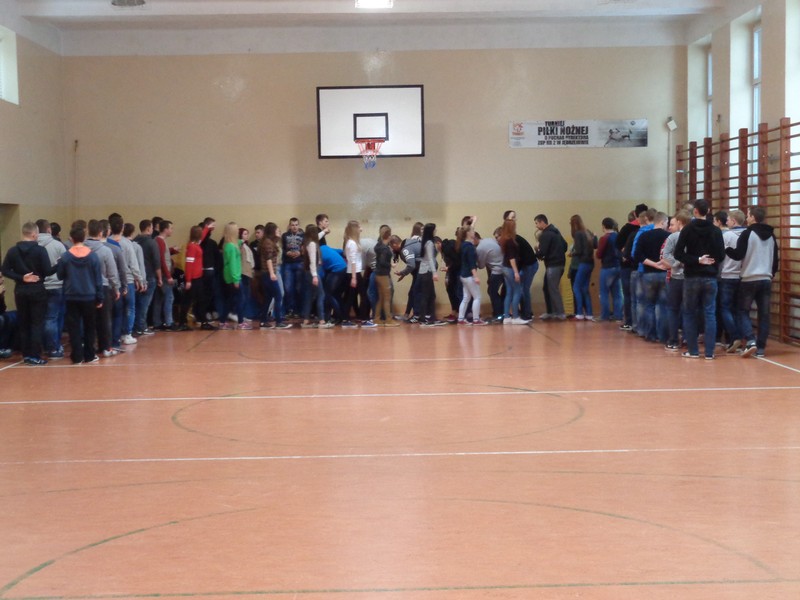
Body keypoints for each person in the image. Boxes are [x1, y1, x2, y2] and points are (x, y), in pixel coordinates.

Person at [674, 199, 726, 359]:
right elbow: (721, 255)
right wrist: (710, 261)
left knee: (689, 313)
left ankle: (693, 350)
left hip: (692, 277)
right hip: (710, 277)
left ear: (695, 211)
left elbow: (678, 253)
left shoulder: (687, 229)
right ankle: (709, 352)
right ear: (708, 210)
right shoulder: (716, 230)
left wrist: (696, 260)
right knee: (709, 313)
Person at [725, 205, 779, 358]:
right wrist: (771, 274)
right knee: (764, 314)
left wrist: (726, 248)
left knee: (742, 311)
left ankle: (750, 340)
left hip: (749, 278)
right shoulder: (771, 236)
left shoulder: (748, 233)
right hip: (766, 278)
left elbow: (738, 255)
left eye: (748, 215)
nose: (747, 218)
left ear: (753, 217)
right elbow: (775, 259)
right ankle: (761, 348)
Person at [1, 222, 55, 365]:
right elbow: (47, 271)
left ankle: (26, 355)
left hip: (20, 290)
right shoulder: (40, 251)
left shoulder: (13, 251)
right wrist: (59, 264)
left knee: (24, 323)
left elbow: (5, 270)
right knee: (36, 324)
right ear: (34, 234)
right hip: (37, 290)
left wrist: (21, 277)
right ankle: (35, 355)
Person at [56, 226, 104, 364]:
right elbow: (98, 279)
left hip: (71, 296)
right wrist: (100, 297)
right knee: (90, 326)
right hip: (89, 296)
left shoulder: (65, 257)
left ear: (71, 239)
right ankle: (89, 355)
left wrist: (60, 264)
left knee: (74, 327)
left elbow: (59, 276)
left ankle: (77, 356)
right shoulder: (93, 256)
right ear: (84, 238)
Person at [85, 219, 121, 357]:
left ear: (88, 231)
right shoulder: (105, 250)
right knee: (105, 319)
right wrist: (116, 288)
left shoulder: (81, 249)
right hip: (104, 286)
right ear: (101, 233)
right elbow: (112, 273)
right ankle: (106, 347)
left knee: (89, 319)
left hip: (86, 288)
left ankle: (89, 347)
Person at [633, 211, 670, 342]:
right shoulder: (668, 236)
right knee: (663, 305)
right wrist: (663, 264)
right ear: (663, 222)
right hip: (664, 274)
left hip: (648, 274)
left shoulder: (644, 236)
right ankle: (663, 335)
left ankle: (650, 334)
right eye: (667, 222)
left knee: (649, 305)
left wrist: (653, 264)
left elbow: (637, 255)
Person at [659, 210, 691, 351]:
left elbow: (665, 255)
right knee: (689, 309)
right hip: (690, 277)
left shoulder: (674, 237)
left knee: (673, 309)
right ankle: (688, 338)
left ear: (679, 222)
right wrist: (686, 262)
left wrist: (677, 263)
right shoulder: (694, 235)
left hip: (677, 277)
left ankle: (673, 340)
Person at [36, 218, 67, 359]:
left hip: (39, 285)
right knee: (54, 318)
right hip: (56, 285)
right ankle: (53, 347)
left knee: (41, 318)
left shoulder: (33, 246)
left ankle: (43, 345)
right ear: (49, 230)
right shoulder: (58, 245)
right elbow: (65, 265)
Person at [718, 210, 746, 352]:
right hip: (743, 275)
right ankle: (739, 339)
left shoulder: (727, 235)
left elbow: (720, 255)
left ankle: (735, 336)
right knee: (738, 309)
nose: (727, 221)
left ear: (734, 221)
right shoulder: (748, 234)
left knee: (725, 308)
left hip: (728, 275)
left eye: (728, 219)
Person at [534, 214, 568, 320]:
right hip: (560, 264)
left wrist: (537, 250)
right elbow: (565, 246)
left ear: (542, 222)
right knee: (547, 287)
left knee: (553, 289)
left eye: (536, 223)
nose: (536, 226)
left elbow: (542, 252)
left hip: (553, 265)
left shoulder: (545, 235)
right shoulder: (556, 232)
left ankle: (560, 313)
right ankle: (551, 311)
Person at [300, 224, 333, 328]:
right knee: (321, 294)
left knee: (309, 296)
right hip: (313, 272)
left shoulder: (308, 242)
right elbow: (312, 262)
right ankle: (322, 320)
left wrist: (324, 231)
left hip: (308, 272)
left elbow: (318, 236)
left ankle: (306, 320)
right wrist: (314, 276)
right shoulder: (312, 245)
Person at [259, 222, 291, 329]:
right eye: (277, 230)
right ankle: (278, 322)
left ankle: (263, 321)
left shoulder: (269, 241)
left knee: (268, 298)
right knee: (278, 296)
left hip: (266, 274)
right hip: (268, 273)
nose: (279, 232)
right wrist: (272, 273)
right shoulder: (268, 242)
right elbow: (268, 259)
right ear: (272, 231)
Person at [133, 219, 161, 336]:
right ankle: (142, 326)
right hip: (149, 276)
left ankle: (135, 326)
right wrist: (159, 277)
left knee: (136, 303)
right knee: (145, 303)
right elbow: (156, 261)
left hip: (136, 276)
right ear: (149, 228)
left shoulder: (134, 241)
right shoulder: (151, 243)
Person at [498, 218, 527, 324]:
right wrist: (516, 272)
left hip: (505, 267)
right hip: (510, 268)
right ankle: (515, 317)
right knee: (517, 291)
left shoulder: (504, 240)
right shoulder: (510, 241)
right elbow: (512, 258)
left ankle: (506, 317)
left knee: (509, 292)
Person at [457, 226, 487, 325]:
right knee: (477, 297)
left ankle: (461, 318)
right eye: (472, 231)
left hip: (463, 275)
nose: (474, 232)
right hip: (469, 276)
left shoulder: (463, 245)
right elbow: (472, 264)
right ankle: (476, 319)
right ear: (468, 233)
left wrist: (473, 222)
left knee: (466, 298)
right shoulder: (470, 247)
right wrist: (476, 276)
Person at [594, 217, 622, 322]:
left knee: (604, 293)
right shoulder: (618, 236)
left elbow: (598, 254)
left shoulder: (604, 238)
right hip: (618, 266)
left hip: (607, 267)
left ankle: (604, 316)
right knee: (617, 293)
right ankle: (618, 315)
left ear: (603, 226)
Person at [569, 214, 596, 320]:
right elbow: (595, 245)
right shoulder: (587, 232)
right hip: (590, 262)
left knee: (576, 287)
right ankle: (589, 313)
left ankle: (579, 313)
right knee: (585, 288)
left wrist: (572, 254)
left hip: (583, 262)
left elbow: (579, 250)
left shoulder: (578, 234)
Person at [341, 220, 367, 328]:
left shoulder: (352, 242)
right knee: (363, 296)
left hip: (354, 272)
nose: (361, 228)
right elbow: (352, 261)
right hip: (354, 273)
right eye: (359, 227)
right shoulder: (352, 243)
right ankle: (363, 319)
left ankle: (346, 318)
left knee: (351, 297)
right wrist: (353, 278)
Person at [373, 225, 398, 327]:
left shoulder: (378, 245)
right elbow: (383, 262)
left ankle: (377, 318)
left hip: (378, 274)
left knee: (381, 298)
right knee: (387, 297)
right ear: (389, 236)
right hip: (383, 275)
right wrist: (391, 265)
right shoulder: (384, 248)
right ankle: (388, 320)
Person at [220, 222, 243, 329]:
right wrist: (236, 279)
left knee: (229, 300)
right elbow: (233, 264)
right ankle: (241, 322)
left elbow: (238, 242)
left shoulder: (231, 244)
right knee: (239, 300)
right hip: (233, 277)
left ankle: (222, 321)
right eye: (237, 229)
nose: (238, 231)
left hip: (231, 276)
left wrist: (242, 241)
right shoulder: (231, 247)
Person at [281, 217, 304, 318]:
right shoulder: (284, 235)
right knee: (288, 288)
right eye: (292, 225)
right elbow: (281, 248)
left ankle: (298, 310)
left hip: (300, 263)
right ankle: (290, 310)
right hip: (288, 264)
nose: (294, 227)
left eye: (296, 225)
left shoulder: (303, 235)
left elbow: (306, 248)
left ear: (298, 225)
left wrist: (300, 253)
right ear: (289, 226)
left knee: (299, 288)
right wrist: (287, 253)